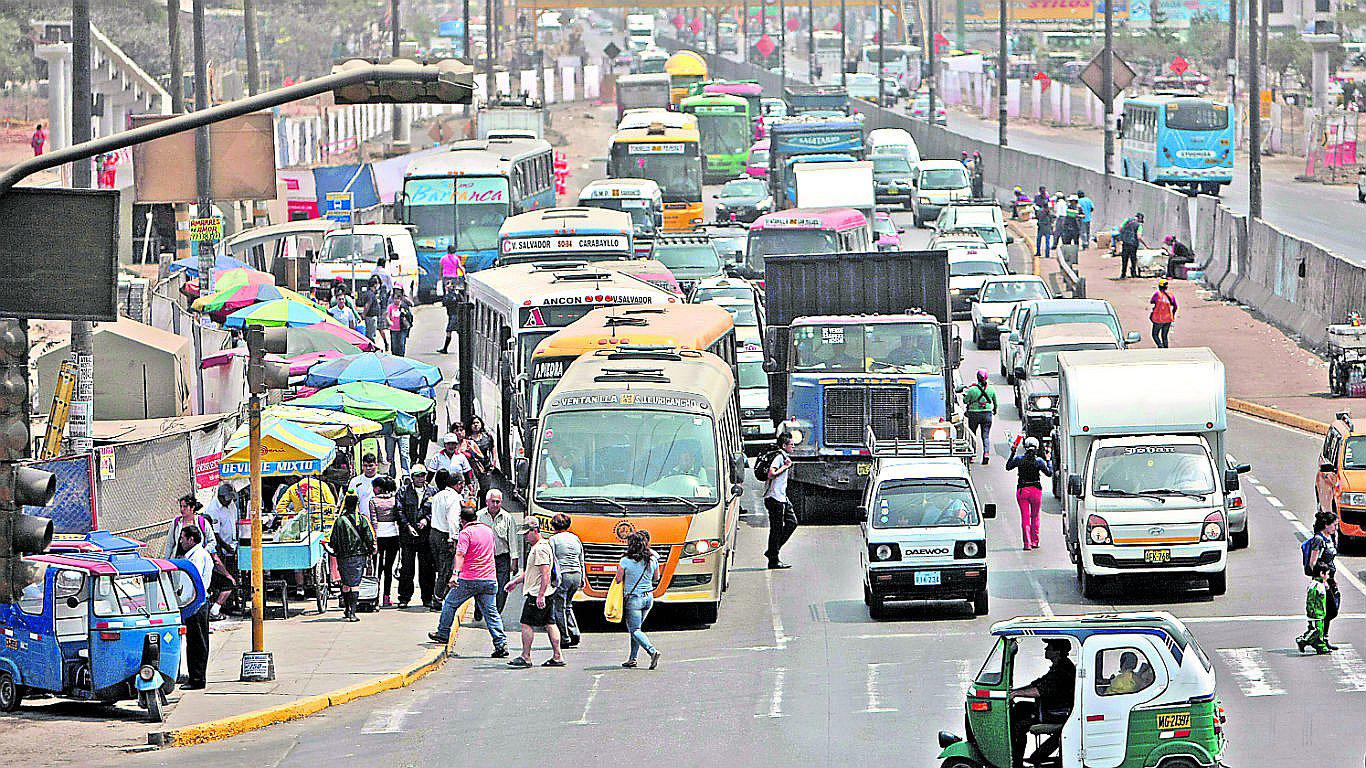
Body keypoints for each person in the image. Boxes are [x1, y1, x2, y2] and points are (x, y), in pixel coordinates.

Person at [428, 506, 509, 656]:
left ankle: (443, 633)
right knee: (491, 612)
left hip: (469, 579)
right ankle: (500, 643)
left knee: (450, 603)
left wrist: (455, 574)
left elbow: (460, 555)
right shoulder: (487, 531)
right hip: (489, 579)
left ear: (462, 520)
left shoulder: (466, 533)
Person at [504, 518, 566, 668]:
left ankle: (526, 656)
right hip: (545, 592)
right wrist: (516, 581)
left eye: (527, 534)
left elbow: (545, 574)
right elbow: (532, 571)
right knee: (550, 623)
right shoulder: (541, 546)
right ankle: (557, 655)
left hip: (537, 592)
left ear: (535, 531)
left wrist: (540, 595)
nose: (525, 538)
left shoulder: (540, 549)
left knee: (526, 624)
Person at [1009, 639, 1076, 764]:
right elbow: (1037, 684)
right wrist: (1015, 691)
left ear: (1057, 652)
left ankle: (1016, 763)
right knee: (1019, 707)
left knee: (1018, 724)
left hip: (1056, 712)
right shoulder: (1059, 666)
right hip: (1050, 708)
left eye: (1048, 647)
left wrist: (1017, 693)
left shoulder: (1063, 670)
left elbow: (1040, 691)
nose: (1045, 649)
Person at [615, 529, 661, 669]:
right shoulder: (652, 560)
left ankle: (652, 651)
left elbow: (618, 580)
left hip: (633, 599)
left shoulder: (625, 561)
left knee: (634, 629)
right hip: (648, 598)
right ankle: (632, 659)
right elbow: (656, 578)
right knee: (636, 629)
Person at [175, 525, 214, 690]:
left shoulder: (197, 557)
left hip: (195, 603)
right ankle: (195, 676)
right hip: (194, 602)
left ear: (191, 539)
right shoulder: (195, 555)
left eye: (183, 538)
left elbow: (192, 582)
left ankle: (197, 679)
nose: (181, 541)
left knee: (197, 643)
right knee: (195, 641)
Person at [328, 494, 377, 622]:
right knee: (355, 584)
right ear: (357, 504)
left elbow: (332, 540)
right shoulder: (361, 519)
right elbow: (369, 537)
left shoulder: (339, 520)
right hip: (358, 556)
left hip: (343, 556)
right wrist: (371, 550)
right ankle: (352, 613)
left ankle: (346, 609)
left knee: (345, 583)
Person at [396, 465, 437, 609]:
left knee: (427, 569)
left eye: (423, 475)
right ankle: (404, 597)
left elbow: (436, 511)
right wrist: (407, 526)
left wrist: (426, 519)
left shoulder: (432, 491)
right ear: (412, 477)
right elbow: (399, 511)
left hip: (425, 537)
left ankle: (427, 597)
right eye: (417, 475)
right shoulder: (403, 491)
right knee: (407, 569)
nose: (420, 478)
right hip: (408, 537)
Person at [1006, 437, 1053, 550]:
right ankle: (1035, 541)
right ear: (1036, 448)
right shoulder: (1039, 461)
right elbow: (1049, 473)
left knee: (1025, 518)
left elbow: (1008, 467)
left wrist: (1012, 452)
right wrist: (1048, 460)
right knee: (1035, 517)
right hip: (1036, 491)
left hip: (1022, 491)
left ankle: (1027, 544)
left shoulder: (1019, 459)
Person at [477, 489, 520, 612]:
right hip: (483, 558)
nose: (495, 505)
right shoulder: (479, 516)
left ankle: (497, 612)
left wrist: (514, 561)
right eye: (493, 502)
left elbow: (513, 540)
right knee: (481, 585)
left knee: (502, 588)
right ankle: (479, 609)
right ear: (487, 502)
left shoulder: (508, 518)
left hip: (502, 558)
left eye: (498, 502)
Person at [1304, 510, 1342, 649]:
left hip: (1329, 579)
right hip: (1322, 581)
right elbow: (1313, 562)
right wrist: (1322, 580)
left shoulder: (1330, 538)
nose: (1335, 528)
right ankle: (1316, 637)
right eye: (1334, 525)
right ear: (1326, 525)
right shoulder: (1318, 540)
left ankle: (1322, 637)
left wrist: (1332, 578)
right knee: (1327, 609)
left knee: (1332, 609)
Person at [548, 513, 584, 649]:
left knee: (559, 607)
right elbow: (581, 558)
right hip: (576, 575)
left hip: (563, 575)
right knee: (568, 605)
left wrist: (551, 580)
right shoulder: (575, 538)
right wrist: (583, 577)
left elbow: (551, 561)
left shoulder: (553, 540)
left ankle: (565, 637)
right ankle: (575, 633)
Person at [763, 432, 797, 569]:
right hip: (774, 498)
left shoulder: (783, 456)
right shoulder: (778, 457)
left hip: (782, 497)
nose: (793, 447)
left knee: (792, 522)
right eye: (791, 445)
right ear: (784, 445)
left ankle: (772, 551)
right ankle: (773, 559)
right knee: (776, 530)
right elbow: (771, 474)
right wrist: (786, 467)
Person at [428, 470, 462, 604]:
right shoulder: (454, 498)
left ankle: (439, 596)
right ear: (459, 484)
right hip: (445, 536)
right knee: (446, 569)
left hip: (434, 534)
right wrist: (453, 538)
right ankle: (438, 598)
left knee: (440, 568)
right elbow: (453, 520)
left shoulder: (438, 495)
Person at [369, 475, 401, 608]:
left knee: (377, 569)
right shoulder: (394, 500)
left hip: (379, 536)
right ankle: (386, 597)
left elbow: (374, 521)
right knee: (388, 568)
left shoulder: (373, 501)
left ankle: (375, 597)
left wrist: (374, 539)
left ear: (378, 488)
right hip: (393, 535)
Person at [1297, 562, 1334, 654]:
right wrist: (1311, 610)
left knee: (1319, 631)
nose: (1328, 576)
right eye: (1327, 574)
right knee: (1315, 630)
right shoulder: (1315, 585)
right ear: (1322, 573)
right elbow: (1311, 599)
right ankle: (1303, 640)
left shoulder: (1320, 584)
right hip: (1315, 613)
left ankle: (1320, 647)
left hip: (1320, 613)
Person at [962, 370, 997, 465]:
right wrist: (994, 410)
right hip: (987, 414)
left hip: (974, 414)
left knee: (972, 435)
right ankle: (986, 454)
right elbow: (995, 403)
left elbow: (965, 401)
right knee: (985, 436)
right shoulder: (991, 389)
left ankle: (972, 456)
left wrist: (965, 396)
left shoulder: (972, 390)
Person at [467, 416, 495, 499]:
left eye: (477, 423)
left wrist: (494, 461)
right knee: (473, 491)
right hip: (473, 467)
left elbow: (493, 448)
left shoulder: (487, 436)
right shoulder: (468, 439)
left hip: (485, 466)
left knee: (485, 490)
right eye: (473, 423)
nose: (475, 425)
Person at [347, 454, 380, 520]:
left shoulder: (383, 480)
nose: (368, 468)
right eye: (365, 466)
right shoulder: (355, 481)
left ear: (376, 465)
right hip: (362, 520)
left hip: (380, 521)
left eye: (371, 465)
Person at [1149, 279, 1178, 348]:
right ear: (1166, 287)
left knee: (1155, 334)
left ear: (1159, 287)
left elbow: (1152, 301)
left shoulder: (1157, 294)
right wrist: (1172, 315)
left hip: (1158, 319)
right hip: (1168, 319)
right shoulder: (1170, 295)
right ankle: (1166, 349)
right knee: (1164, 336)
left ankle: (1160, 346)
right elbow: (1175, 306)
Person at [1116, 212, 1146, 279]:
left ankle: (1123, 274)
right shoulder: (1139, 226)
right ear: (1140, 219)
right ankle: (1133, 274)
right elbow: (1139, 237)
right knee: (1133, 259)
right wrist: (1145, 245)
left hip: (1125, 243)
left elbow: (1120, 229)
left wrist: (1123, 236)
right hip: (1133, 244)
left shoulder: (1127, 220)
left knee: (1124, 259)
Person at [387, 286, 414, 357]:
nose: (396, 300)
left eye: (398, 299)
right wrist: (389, 322)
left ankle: (402, 358)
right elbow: (387, 316)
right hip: (393, 329)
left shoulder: (404, 306)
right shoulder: (390, 306)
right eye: (395, 298)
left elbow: (410, 316)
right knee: (394, 346)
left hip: (402, 329)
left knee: (401, 345)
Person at [1033, 187, 1054, 260]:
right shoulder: (1049, 212)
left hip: (1041, 227)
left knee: (1039, 240)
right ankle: (1047, 254)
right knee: (1047, 241)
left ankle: (1038, 252)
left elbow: (1037, 216)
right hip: (1047, 227)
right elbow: (1052, 219)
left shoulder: (1040, 211)